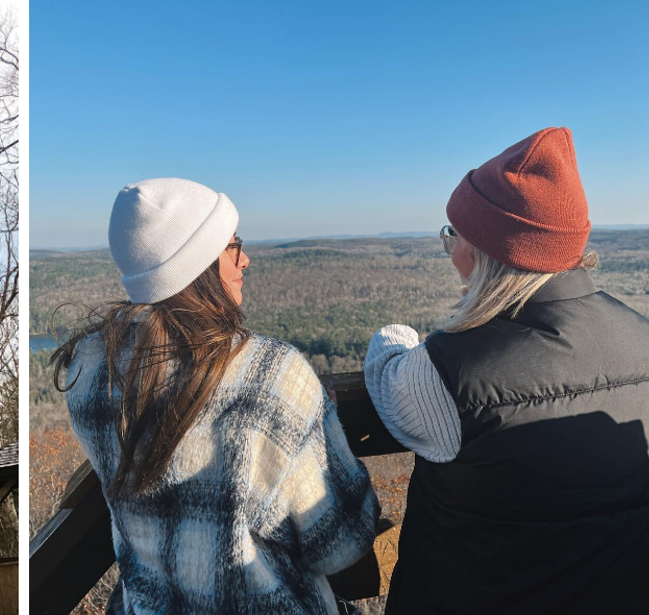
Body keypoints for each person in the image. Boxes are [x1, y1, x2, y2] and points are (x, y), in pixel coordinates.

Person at [54, 177, 379, 615]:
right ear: (197, 264)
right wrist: (314, 424)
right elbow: (340, 543)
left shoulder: (89, 369)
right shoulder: (273, 378)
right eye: (232, 245)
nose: (245, 259)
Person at [363, 127, 649, 614]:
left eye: (453, 235)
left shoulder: (447, 370)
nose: (450, 248)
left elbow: (385, 373)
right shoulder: (640, 333)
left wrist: (398, 336)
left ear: (484, 255)